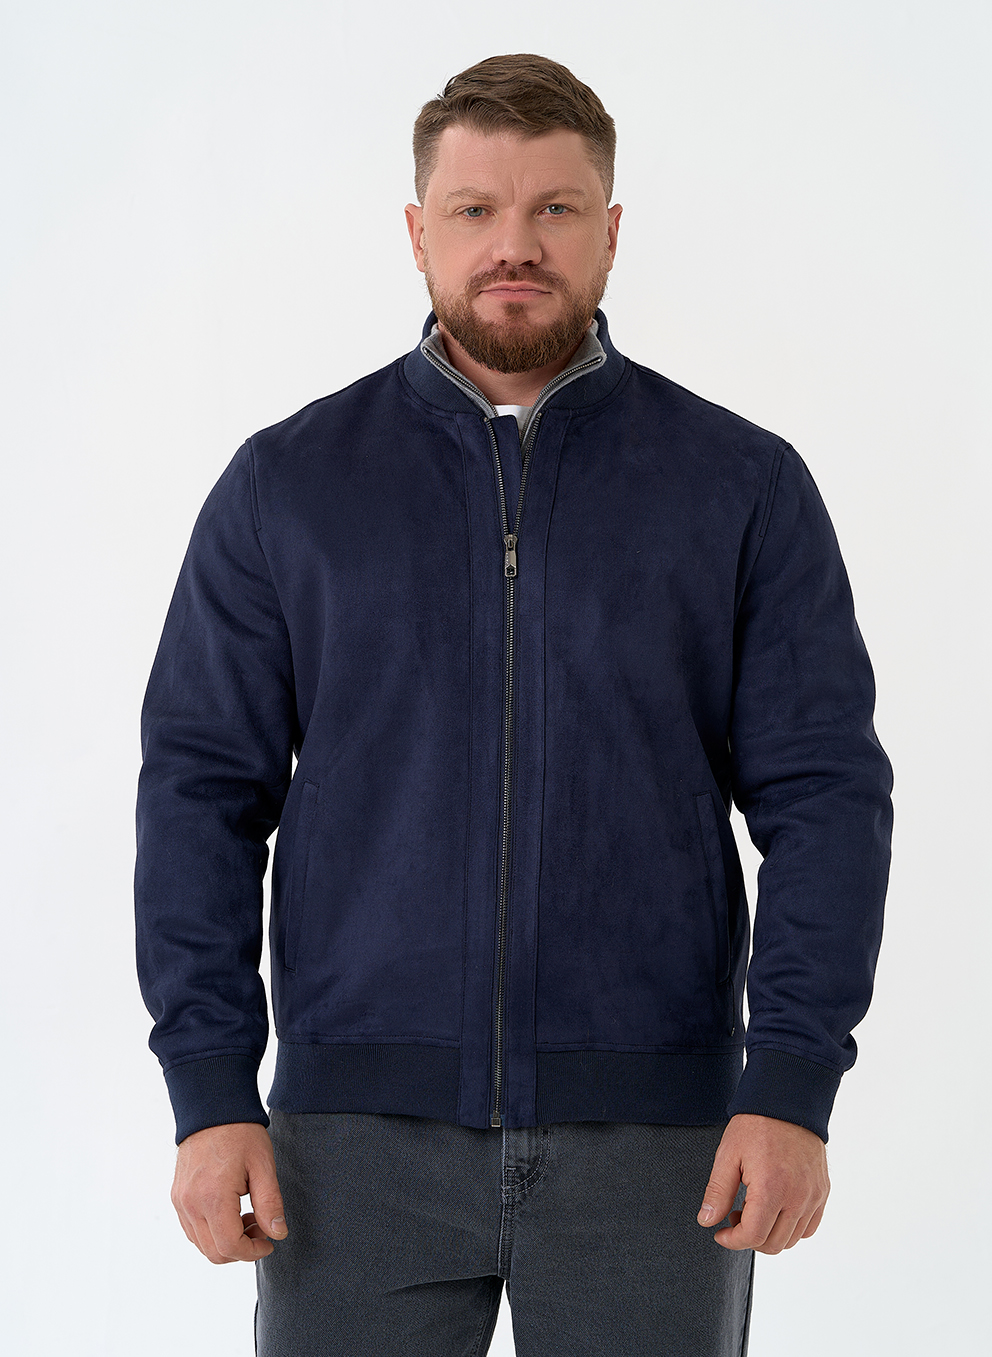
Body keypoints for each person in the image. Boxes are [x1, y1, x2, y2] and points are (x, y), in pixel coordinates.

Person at [134, 53, 893, 1356]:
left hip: (658, 1140)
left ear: (610, 230)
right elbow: (201, 792)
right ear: (418, 231)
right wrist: (209, 1089)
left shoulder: (741, 486)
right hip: (351, 1141)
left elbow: (826, 795)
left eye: (554, 208)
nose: (515, 245)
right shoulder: (289, 487)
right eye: (476, 209)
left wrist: (792, 1080)